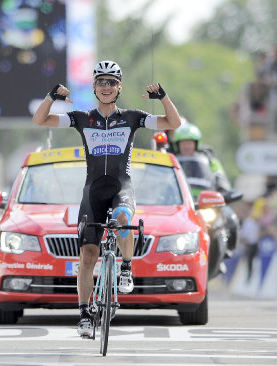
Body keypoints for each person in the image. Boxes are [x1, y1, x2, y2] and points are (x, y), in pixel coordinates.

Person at [32, 60, 181, 337]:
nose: (106, 87)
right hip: (92, 192)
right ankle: (85, 315)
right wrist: (52, 96)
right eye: (101, 81)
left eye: (112, 82)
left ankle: (125, 268)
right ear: (94, 86)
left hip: (121, 187)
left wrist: (163, 97)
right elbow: (40, 120)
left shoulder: (133, 117)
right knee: (88, 256)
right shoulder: (81, 118)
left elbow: (174, 122)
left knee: (124, 218)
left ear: (119, 87)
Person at [171, 122, 232, 193]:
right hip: (178, 199)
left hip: (206, 199)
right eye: (183, 143)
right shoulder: (171, 160)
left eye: (189, 143)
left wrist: (223, 191)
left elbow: (220, 177)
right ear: (177, 145)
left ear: (196, 144)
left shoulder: (209, 158)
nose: (186, 146)